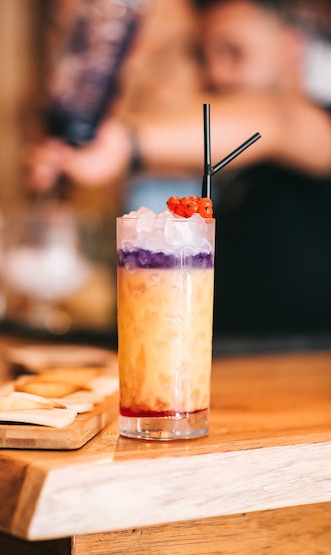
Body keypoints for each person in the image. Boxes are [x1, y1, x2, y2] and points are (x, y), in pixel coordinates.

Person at [27, 0, 331, 337]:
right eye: (203, 56)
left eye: (234, 51)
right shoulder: (224, 168)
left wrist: (127, 143)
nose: (215, 73)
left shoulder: (318, 126)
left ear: (293, 48)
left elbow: (278, 120)